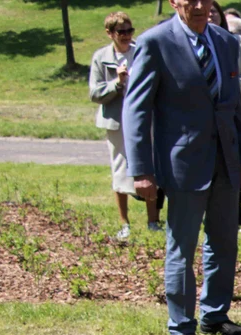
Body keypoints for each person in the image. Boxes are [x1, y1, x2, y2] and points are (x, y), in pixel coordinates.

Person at [124, 0, 241, 335]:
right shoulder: (155, 42)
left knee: (224, 242)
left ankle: (216, 314)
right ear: (173, 2)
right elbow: (136, 110)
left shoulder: (225, 42)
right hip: (182, 166)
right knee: (181, 247)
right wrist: (141, 170)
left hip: (225, 162)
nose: (199, 6)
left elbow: (234, 108)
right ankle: (181, 326)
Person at [89, 11, 161, 240]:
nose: (127, 36)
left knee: (149, 168)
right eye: (121, 32)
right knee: (120, 171)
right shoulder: (101, 57)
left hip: (144, 119)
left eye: (130, 31)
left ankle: (153, 221)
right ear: (110, 33)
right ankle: (124, 224)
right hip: (117, 121)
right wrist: (117, 84)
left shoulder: (142, 51)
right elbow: (95, 93)